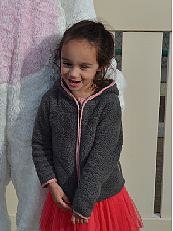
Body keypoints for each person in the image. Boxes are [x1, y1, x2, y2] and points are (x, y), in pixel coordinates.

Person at [32, 20, 143, 231]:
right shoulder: (52, 101)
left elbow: (103, 156)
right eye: (67, 63)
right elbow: (40, 144)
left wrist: (84, 202)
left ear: (100, 65)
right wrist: (51, 184)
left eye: (84, 67)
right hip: (63, 201)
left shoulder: (108, 104)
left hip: (102, 202)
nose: (73, 73)